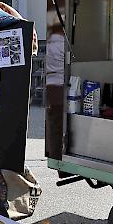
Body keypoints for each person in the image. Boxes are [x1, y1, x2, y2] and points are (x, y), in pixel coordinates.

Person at [45, 22, 65, 161]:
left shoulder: (47, 45)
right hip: (59, 85)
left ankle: (52, 152)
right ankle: (58, 155)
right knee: (59, 123)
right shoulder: (63, 44)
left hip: (49, 85)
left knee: (52, 121)